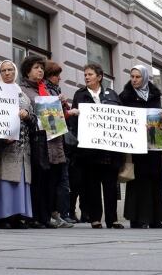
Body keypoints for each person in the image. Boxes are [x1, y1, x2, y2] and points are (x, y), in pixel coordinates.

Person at [69, 63, 124, 229]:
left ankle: (112, 219)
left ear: (99, 77)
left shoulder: (112, 95)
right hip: (88, 150)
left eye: (90, 74)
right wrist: (75, 114)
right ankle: (95, 219)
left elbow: (121, 118)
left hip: (109, 149)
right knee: (92, 185)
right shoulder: (79, 95)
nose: (86, 77)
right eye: (85, 74)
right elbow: (73, 122)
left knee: (110, 185)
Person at [0, 60, 34, 229]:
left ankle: (17, 216)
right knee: (3, 180)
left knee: (19, 181)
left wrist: (27, 115)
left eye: (10, 70)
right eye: (3, 70)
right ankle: (1, 216)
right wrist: (0, 136)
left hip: (22, 147)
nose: (7, 73)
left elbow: (35, 120)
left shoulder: (23, 95)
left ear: (15, 72)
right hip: (2, 147)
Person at [19, 55, 69, 228]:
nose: (40, 70)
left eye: (41, 68)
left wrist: (61, 104)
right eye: (36, 68)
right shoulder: (23, 89)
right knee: (38, 179)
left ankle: (46, 216)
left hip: (53, 139)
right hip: (36, 139)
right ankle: (36, 216)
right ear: (27, 71)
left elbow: (56, 115)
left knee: (50, 179)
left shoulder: (47, 89)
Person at [121, 65, 162, 228]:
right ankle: (138, 218)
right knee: (139, 181)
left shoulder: (154, 95)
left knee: (155, 179)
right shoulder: (125, 96)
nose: (134, 80)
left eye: (137, 77)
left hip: (154, 145)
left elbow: (159, 115)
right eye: (132, 76)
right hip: (136, 146)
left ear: (145, 78)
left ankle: (156, 218)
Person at [43, 60, 74, 228]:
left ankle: (58, 213)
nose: (59, 78)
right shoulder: (47, 91)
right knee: (54, 179)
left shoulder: (56, 90)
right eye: (56, 75)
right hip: (51, 140)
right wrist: (66, 110)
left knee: (60, 179)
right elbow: (51, 117)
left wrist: (64, 107)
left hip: (59, 140)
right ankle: (51, 213)